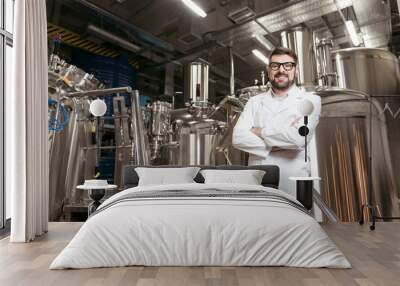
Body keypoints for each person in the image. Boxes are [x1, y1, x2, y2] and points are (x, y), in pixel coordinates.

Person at [232, 47, 321, 197]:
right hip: (257, 181)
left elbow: (298, 138)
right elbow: (238, 138)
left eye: (288, 65)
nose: (281, 70)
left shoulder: (311, 100)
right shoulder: (254, 102)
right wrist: (278, 144)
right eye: (275, 66)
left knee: (294, 219)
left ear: (296, 70)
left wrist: (258, 131)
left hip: (292, 182)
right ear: (268, 70)